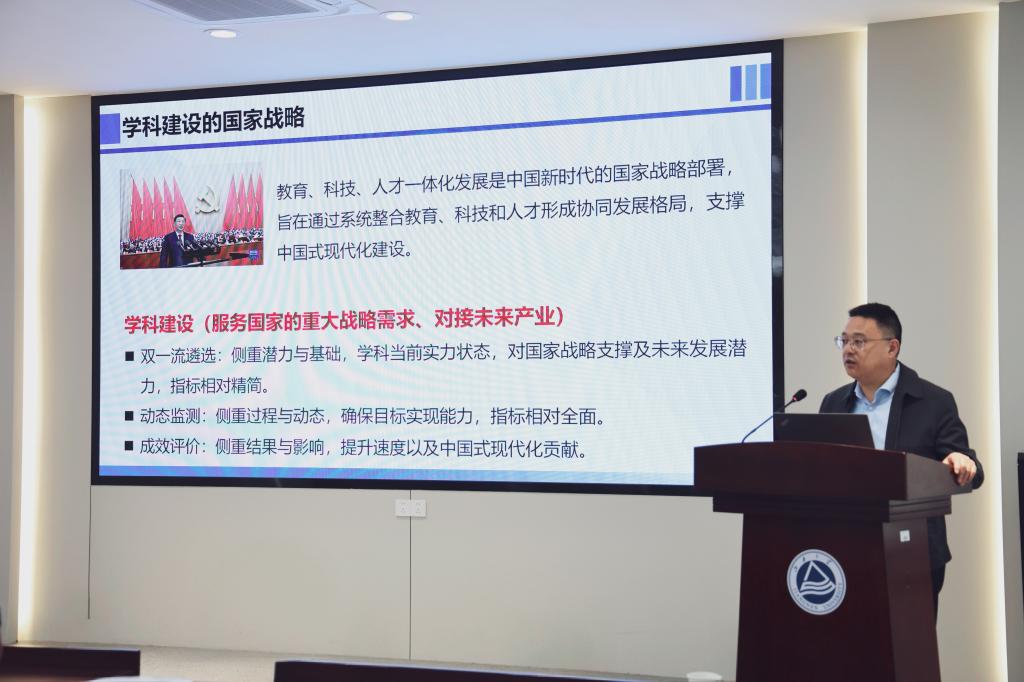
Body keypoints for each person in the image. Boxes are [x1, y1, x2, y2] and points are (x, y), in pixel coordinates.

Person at [819, 302, 983, 616]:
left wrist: (962, 460)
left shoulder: (933, 401)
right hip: (846, 547)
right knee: (850, 639)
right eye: (844, 341)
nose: (848, 349)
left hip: (913, 551)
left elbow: (969, 465)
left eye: (859, 341)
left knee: (911, 643)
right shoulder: (834, 403)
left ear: (892, 347)